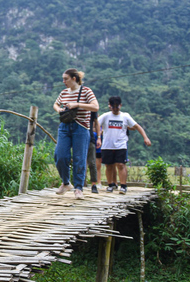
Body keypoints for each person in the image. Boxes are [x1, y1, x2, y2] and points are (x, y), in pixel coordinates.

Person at [53, 69, 99, 199]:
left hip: (81, 128)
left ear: (74, 78)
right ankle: (66, 182)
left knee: (79, 158)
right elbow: (55, 104)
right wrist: (59, 109)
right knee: (60, 155)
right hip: (65, 126)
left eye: (66, 79)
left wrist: (77, 104)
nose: (64, 81)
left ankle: (78, 188)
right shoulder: (64, 92)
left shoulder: (86, 91)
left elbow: (95, 107)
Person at [98, 96, 151, 194]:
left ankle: (123, 185)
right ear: (109, 106)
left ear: (120, 106)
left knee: (121, 164)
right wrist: (98, 136)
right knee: (108, 165)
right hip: (107, 145)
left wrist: (145, 137)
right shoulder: (105, 116)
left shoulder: (125, 116)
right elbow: (96, 124)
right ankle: (110, 185)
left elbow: (137, 126)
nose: (115, 109)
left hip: (121, 145)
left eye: (117, 107)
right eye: (113, 107)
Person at [87, 110, 102, 193]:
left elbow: (96, 123)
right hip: (79, 138)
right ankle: (79, 184)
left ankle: (94, 184)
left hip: (90, 138)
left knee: (92, 162)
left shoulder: (92, 109)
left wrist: (99, 137)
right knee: (79, 161)